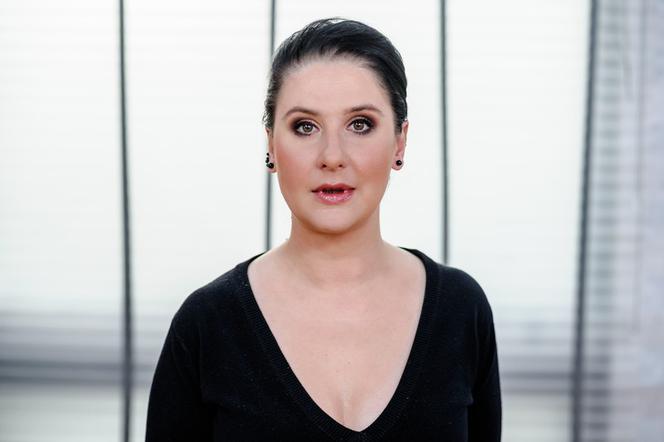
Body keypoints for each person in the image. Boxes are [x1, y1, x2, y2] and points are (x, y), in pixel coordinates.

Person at [145, 17, 501, 441]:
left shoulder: (462, 310)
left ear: (400, 141)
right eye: (305, 126)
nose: (332, 156)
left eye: (360, 124)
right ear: (271, 144)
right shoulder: (206, 324)